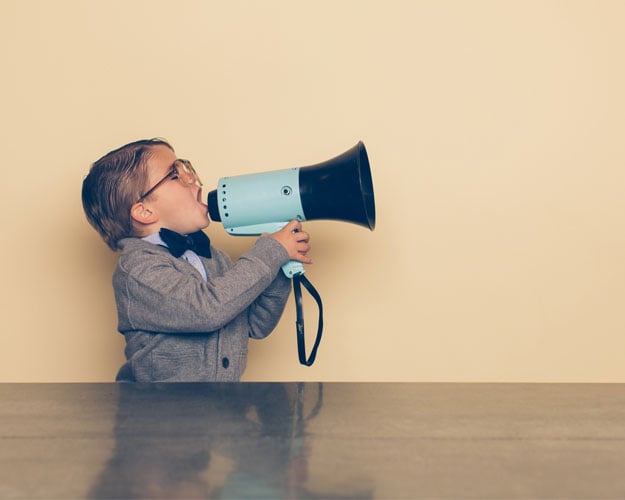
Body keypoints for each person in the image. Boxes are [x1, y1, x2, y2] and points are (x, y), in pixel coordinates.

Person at [81, 138, 312, 382]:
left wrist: (280, 263)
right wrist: (270, 252)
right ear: (144, 211)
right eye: (175, 174)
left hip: (219, 411)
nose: (192, 177)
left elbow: (255, 324)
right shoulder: (138, 269)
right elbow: (207, 310)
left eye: (186, 167)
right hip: (160, 413)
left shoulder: (212, 257)